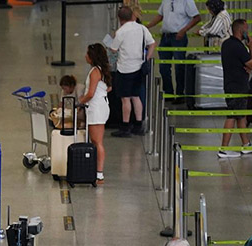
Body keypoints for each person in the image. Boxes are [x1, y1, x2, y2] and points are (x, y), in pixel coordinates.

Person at [108, 7, 156, 137]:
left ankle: (125, 126)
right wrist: (147, 58)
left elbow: (113, 49)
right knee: (136, 96)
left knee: (125, 99)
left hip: (125, 69)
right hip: (139, 67)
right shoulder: (141, 28)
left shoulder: (121, 32)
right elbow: (152, 44)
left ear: (119, 19)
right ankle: (138, 125)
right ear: (132, 16)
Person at [147, 0, 201, 102]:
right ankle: (168, 93)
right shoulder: (166, 1)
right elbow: (160, 15)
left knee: (179, 67)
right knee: (163, 67)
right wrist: (147, 26)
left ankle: (180, 94)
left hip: (178, 37)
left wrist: (183, 30)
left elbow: (197, 17)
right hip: (166, 36)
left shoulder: (187, 1)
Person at [217, 19, 252, 157]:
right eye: (247, 29)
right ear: (241, 31)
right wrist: (251, 47)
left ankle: (246, 143)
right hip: (238, 86)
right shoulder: (239, 47)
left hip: (230, 84)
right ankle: (223, 148)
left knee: (240, 115)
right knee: (232, 115)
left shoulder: (226, 44)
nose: (248, 32)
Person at [78, 44, 111, 184]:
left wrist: (80, 101)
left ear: (92, 57)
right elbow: (108, 88)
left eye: (87, 54)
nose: (85, 56)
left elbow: (90, 93)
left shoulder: (94, 72)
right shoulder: (103, 70)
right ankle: (97, 171)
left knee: (97, 142)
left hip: (95, 108)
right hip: (102, 106)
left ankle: (99, 174)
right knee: (97, 141)